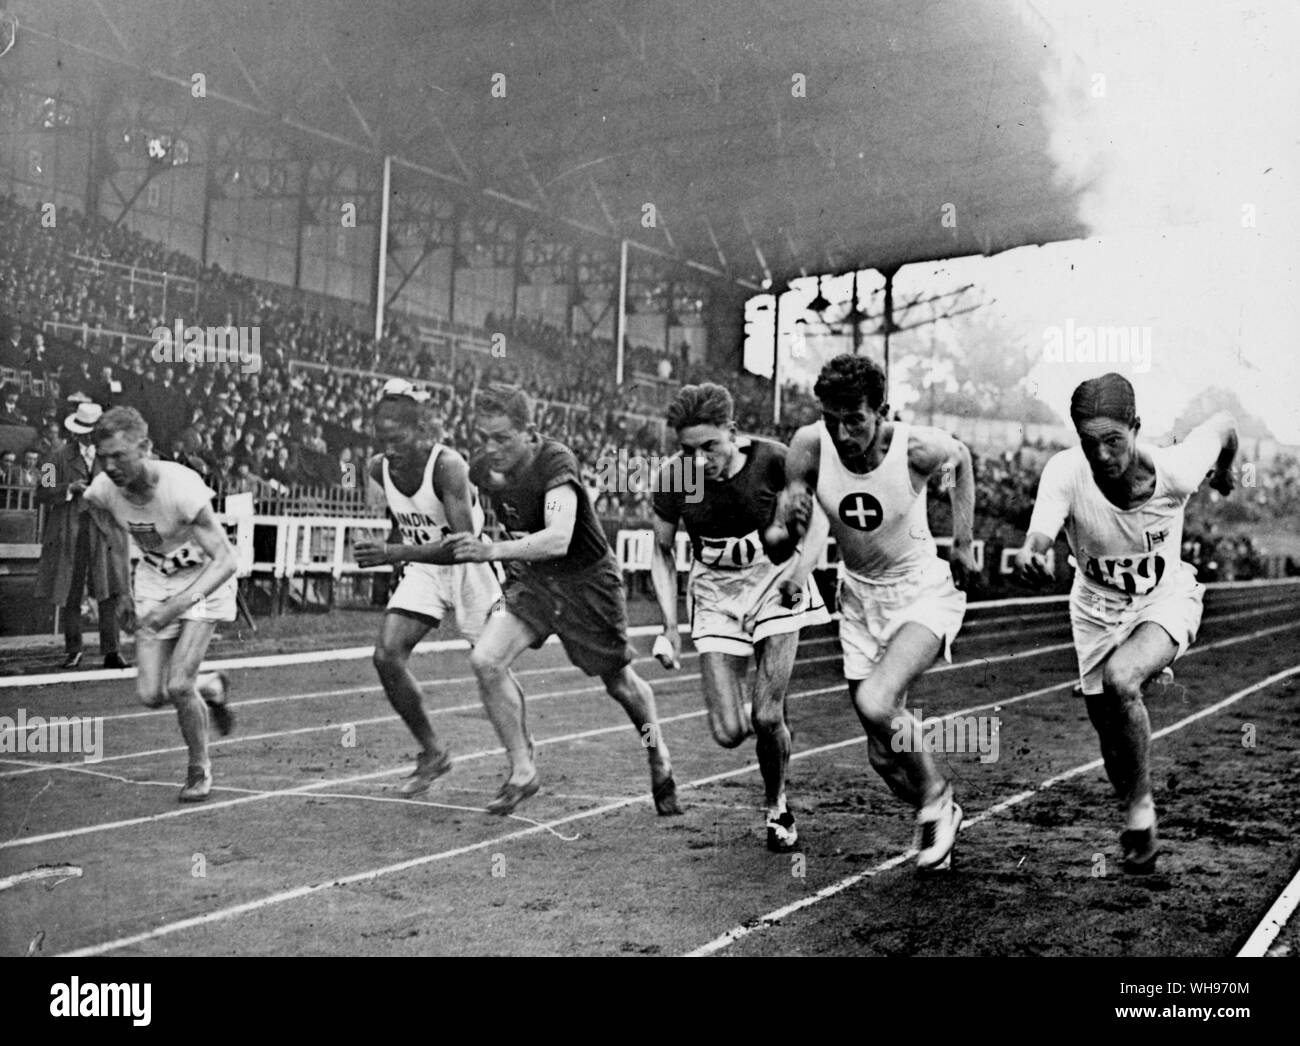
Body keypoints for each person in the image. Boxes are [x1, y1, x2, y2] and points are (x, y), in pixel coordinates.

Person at [1014, 373, 1238, 873]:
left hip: (1164, 600)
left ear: (1136, 428)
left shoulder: (1176, 470)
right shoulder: (1066, 472)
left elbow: (1222, 424)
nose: (1102, 456)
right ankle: (1131, 797)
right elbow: (1038, 535)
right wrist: (1032, 555)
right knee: (1107, 734)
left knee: (1122, 681)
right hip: (1095, 611)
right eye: (1089, 443)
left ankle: (1141, 813)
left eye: (1113, 440)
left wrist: (1224, 471)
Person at [767, 355, 978, 872]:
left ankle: (935, 795)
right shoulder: (808, 447)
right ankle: (943, 814)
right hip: (860, 600)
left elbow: (963, 462)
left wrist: (965, 542)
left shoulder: (918, 449)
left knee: (878, 698)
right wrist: (785, 528)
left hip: (920, 592)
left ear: (882, 411)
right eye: (832, 418)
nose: (842, 432)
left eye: (855, 419)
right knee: (883, 757)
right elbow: (781, 540)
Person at [446, 385, 681, 817]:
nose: (491, 449)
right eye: (484, 437)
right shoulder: (483, 471)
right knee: (486, 660)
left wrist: (493, 551)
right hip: (534, 584)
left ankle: (657, 752)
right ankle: (522, 769)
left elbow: (558, 538)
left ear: (529, 433)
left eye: (502, 438)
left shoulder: (555, 461)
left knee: (621, 686)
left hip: (586, 584)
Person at [649, 383, 830, 852]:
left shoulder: (773, 460)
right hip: (714, 588)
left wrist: (799, 571)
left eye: (709, 446)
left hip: (773, 579)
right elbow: (663, 551)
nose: (698, 459)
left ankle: (777, 807)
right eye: (687, 449)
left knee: (767, 713)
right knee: (729, 732)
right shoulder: (674, 478)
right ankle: (773, 731)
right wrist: (669, 626)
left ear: (732, 432)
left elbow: (815, 524)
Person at [353, 379, 504, 796]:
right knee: (387, 656)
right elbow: (408, 517)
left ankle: (521, 760)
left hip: (470, 567)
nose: (391, 449)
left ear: (422, 431)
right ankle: (433, 751)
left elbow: (462, 546)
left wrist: (392, 552)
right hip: (422, 566)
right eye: (383, 440)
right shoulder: (377, 467)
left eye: (399, 438)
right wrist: (394, 550)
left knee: (491, 666)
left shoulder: (448, 465)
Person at [85, 406, 238, 802]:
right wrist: (122, 592)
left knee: (178, 683)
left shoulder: (182, 488)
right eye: (104, 457)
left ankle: (199, 768)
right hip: (155, 581)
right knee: (152, 694)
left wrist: (176, 607)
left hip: (204, 583)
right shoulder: (102, 491)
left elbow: (226, 560)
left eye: (119, 455)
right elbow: (116, 536)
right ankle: (212, 685)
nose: (111, 466)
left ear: (146, 448)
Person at [34, 401, 132, 669]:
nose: (88, 436)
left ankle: (112, 651)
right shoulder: (54, 457)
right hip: (71, 529)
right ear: (76, 432)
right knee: (71, 589)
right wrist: (69, 488)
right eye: (84, 431)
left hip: (103, 532)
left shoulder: (112, 457)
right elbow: (42, 492)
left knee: (109, 590)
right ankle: (74, 649)